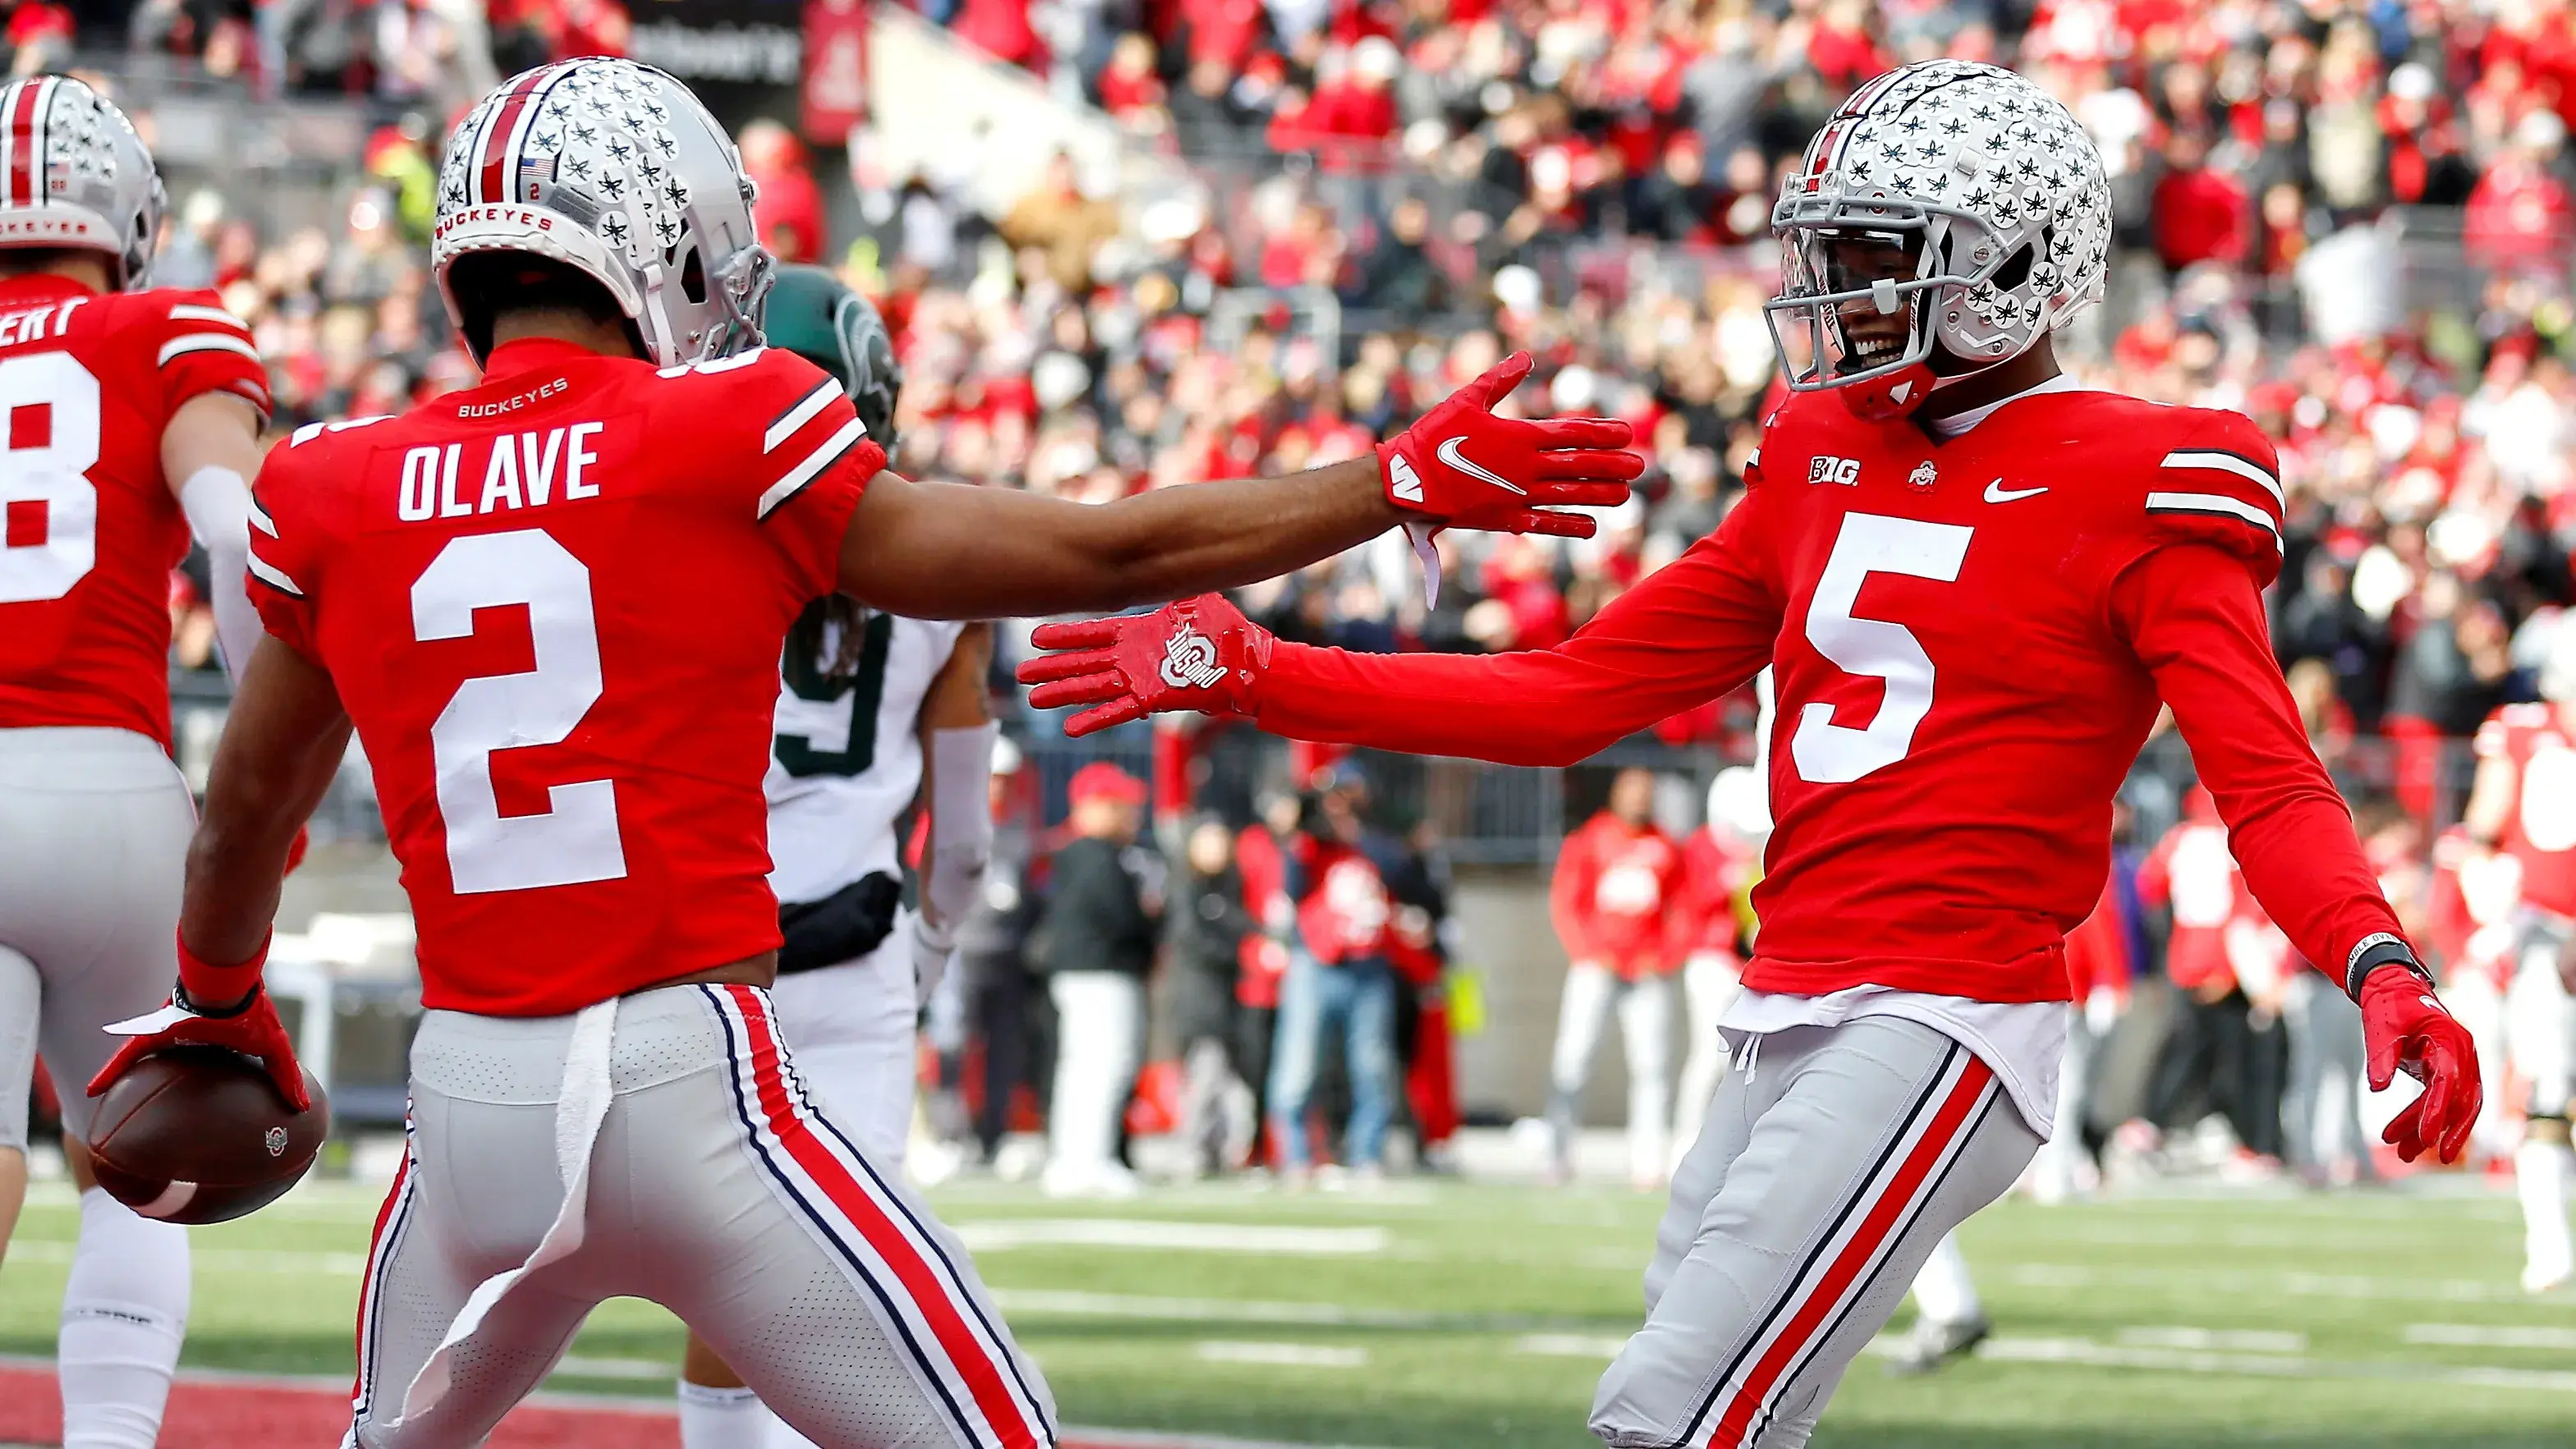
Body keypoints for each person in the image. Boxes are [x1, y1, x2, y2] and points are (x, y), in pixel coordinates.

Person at [89, 57, 1640, 1449]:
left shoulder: (331, 486)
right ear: (665, 240)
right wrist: (1380, 482)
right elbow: (1102, 556)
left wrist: (225, 1015)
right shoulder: (731, 428)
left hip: (467, 1110)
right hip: (688, 1087)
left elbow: (240, 828)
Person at [1017, 58, 2482, 1448]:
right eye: (1836, 249)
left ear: (2013, 270)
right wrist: (1263, 672)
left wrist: (2377, 960)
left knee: (1666, 1411)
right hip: (1784, 1002)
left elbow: (2268, 779)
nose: (1833, 288)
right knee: (1716, 1400)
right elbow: (1571, 694)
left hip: (1949, 1015)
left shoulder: (2151, 472)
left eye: (1877, 251)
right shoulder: (1817, 447)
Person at [670, 266, 997, 1449]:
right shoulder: (937, 580)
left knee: (715, 1260)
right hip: (855, 955)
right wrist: (934, 947)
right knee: (850, 1268)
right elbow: (961, 840)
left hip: (697, 957)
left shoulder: (673, 546)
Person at [0, 75, 278, 1449]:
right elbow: (238, 536)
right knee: (142, 1160)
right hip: (110, 788)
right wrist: (257, 773)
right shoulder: (164, 326)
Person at [2460, 629, 2576, 1293]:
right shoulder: (2522, 733)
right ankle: (2549, 1243)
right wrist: (2489, 898)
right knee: (2548, 1085)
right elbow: (2483, 822)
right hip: (2540, 931)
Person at [1546, 766, 1687, 1188]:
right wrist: (1588, 952)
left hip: (1645, 972)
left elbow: (1682, 911)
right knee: (1572, 1060)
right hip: (1597, 968)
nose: (1640, 801)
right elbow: (1567, 903)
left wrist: (1663, 956)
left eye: (1647, 793)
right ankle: (1558, 1155)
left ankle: (1647, 1163)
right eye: (1633, 792)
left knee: (1652, 1068)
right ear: (1616, 795)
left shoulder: (1665, 846)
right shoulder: (1590, 839)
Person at [1028, 762, 1161, 1197]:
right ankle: (1092, 1160)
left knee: (1081, 1068)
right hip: (1102, 973)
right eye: (1120, 805)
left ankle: (1074, 1159)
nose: (1132, 815)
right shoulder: (1097, 857)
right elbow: (1124, 920)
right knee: (1103, 1068)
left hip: (1082, 973)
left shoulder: (1075, 854)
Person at [1271, 772, 1398, 1185]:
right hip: (1317, 963)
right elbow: (1291, 882)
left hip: (1368, 965)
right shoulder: (1308, 846)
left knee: (1373, 1066)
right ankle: (1295, 1155)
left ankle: (1367, 1154)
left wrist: (1354, 826)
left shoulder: (1372, 845)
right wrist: (1298, 826)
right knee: (1299, 1066)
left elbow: (1400, 867)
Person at [1670, 764, 1765, 1171]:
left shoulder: (1759, 848)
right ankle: (1683, 1147)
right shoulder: (1701, 847)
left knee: (1751, 1066)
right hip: (1711, 962)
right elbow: (1689, 905)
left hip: (1750, 966)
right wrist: (1726, 883)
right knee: (1708, 1059)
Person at [1168, 814, 1257, 1177]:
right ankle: (1191, 1149)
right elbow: (1192, 942)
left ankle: (1220, 1149)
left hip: (1230, 998)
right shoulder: (1188, 889)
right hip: (1201, 999)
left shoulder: (1230, 888)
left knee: (1227, 1078)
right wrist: (1243, 951)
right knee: (1207, 1075)